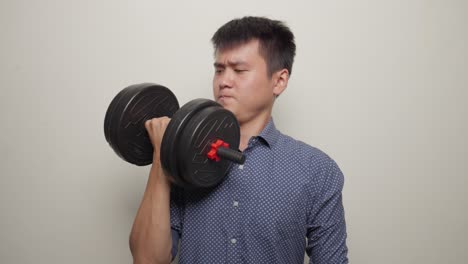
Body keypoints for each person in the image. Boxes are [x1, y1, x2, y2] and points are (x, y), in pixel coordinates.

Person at [130, 16, 348, 264]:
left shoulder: (317, 170)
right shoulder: (183, 161)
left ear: (279, 81)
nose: (224, 81)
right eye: (219, 70)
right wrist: (162, 155)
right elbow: (147, 260)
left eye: (239, 70)